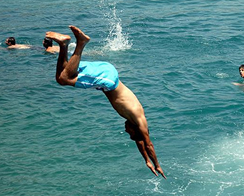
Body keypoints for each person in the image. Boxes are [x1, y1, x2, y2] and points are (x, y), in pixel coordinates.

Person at [45, 25, 166, 179]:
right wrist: (157, 164)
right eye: (130, 133)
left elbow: (140, 142)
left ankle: (63, 44)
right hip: (108, 81)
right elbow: (148, 144)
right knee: (64, 79)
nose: (126, 131)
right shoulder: (139, 119)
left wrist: (146, 161)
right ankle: (80, 43)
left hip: (108, 72)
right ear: (136, 130)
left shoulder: (136, 122)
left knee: (65, 72)